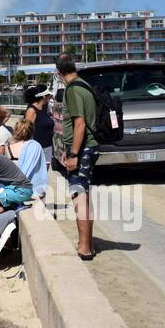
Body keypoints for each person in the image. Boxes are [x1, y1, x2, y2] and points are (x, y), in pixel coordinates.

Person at [54, 54, 97, 260]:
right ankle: (88, 242)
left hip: (82, 148)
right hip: (88, 147)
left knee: (79, 196)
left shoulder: (72, 89)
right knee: (85, 195)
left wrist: (73, 153)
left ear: (58, 72)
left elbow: (79, 124)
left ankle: (84, 247)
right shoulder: (84, 85)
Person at [7, 118, 49, 198]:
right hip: (31, 189)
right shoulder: (35, 146)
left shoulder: (8, 145)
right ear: (32, 131)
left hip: (10, 185)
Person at [24, 85, 55, 150]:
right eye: (48, 95)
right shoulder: (31, 110)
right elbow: (27, 132)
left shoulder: (44, 108)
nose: (50, 97)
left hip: (47, 147)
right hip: (36, 149)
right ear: (44, 96)